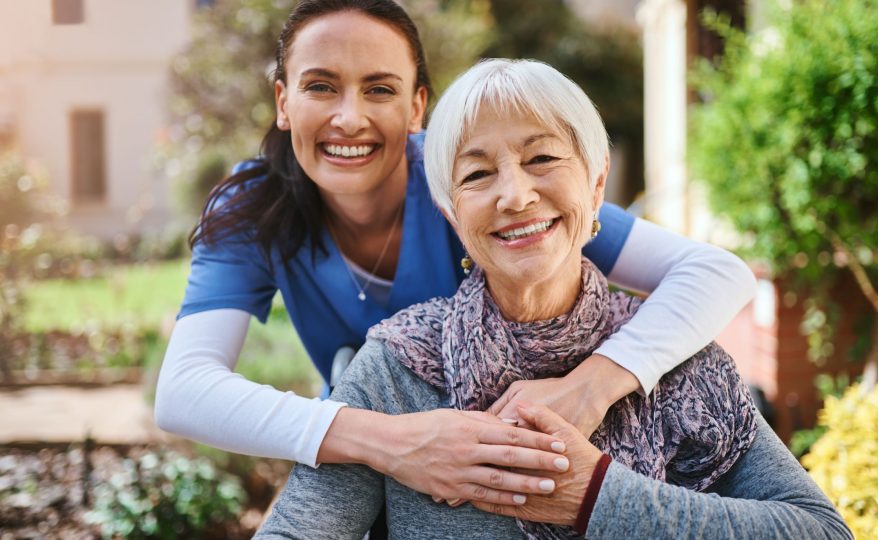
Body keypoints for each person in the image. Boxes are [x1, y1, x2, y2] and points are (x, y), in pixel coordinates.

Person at [154, 0, 758, 507]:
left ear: (418, 108)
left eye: (379, 89)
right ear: (284, 102)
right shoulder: (252, 207)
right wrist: (392, 441)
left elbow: (715, 273)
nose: (349, 117)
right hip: (371, 472)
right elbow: (184, 390)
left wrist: (592, 385)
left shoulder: (474, 189)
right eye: (320, 86)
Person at [255, 58, 852, 539]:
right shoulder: (397, 368)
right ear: (451, 215)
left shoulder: (680, 361)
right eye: (477, 175)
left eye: (542, 158)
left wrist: (595, 496)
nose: (515, 195)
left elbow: (820, 530)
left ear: (596, 186)